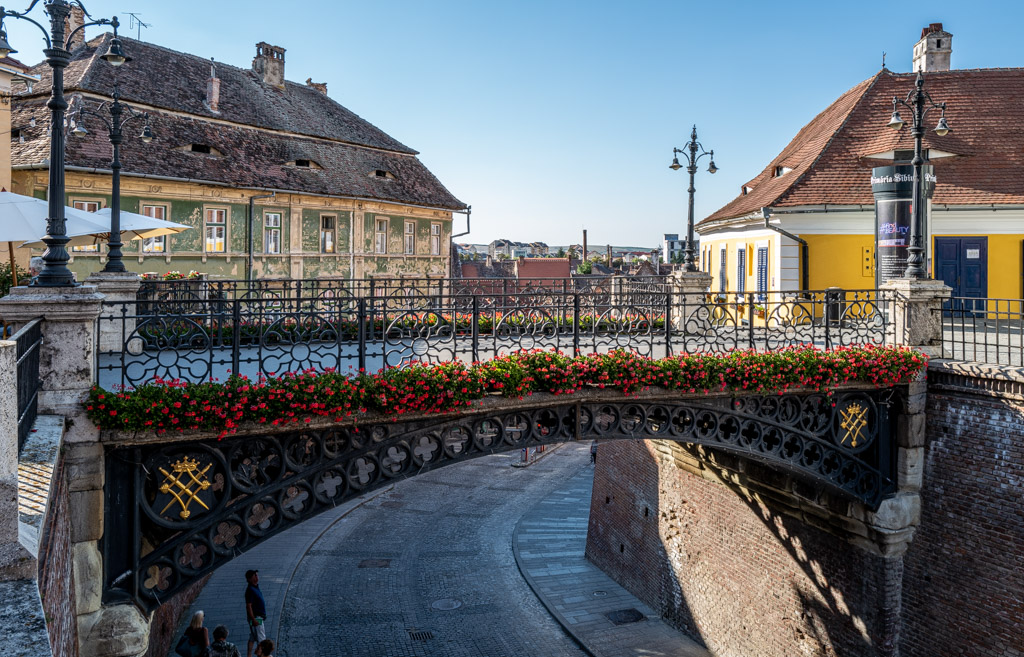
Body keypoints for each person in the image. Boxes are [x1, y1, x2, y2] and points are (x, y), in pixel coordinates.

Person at [244, 569, 267, 657]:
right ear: (249, 579)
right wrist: (253, 619)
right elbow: (248, 606)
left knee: (253, 637)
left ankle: (249, 655)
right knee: (261, 639)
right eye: (255, 576)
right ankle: (262, 655)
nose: (257, 577)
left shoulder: (255, 587)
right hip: (257, 618)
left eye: (257, 575)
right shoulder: (250, 590)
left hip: (257, 617)